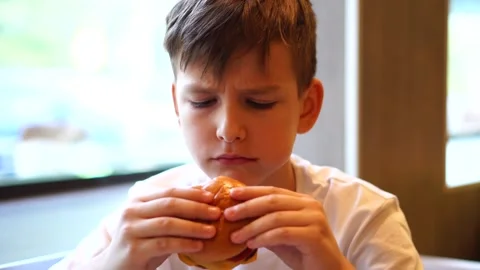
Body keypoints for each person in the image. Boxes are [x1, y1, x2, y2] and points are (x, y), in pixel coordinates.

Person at [50, 0, 423, 269]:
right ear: (178, 107)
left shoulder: (363, 218)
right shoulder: (149, 214)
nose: (229, 130)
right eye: (201, 101)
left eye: (259, 102)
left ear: (306, 107)